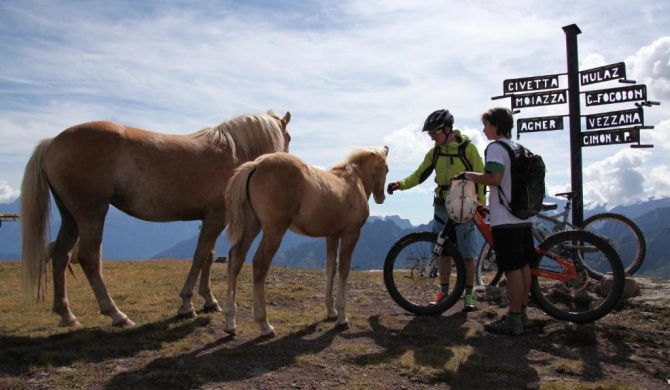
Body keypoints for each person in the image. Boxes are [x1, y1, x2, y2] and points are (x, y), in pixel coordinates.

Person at [387, 109, 486, 312]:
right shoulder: (435, 152)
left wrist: (481, 204)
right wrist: (400, 184)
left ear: (448, 130)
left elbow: (481, 178)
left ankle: (469, 295)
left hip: (465, 206)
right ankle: (444, 291)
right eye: (430, 135)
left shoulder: (468, 149)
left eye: (434, 134)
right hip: (441, 205)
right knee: (442, 252)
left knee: (467, 254)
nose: (432, 139)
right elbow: (419, 174)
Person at [457, 107, 534, 335]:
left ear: (496, 125)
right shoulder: (519, 147)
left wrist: (467, 175)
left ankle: (512, 320)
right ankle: (522, 314)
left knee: (511, 269)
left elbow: (495, 178)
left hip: (506, 217)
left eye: (487, 125)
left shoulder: (496, 148)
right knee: (523, 266)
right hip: (523, 215)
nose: (484, 129)